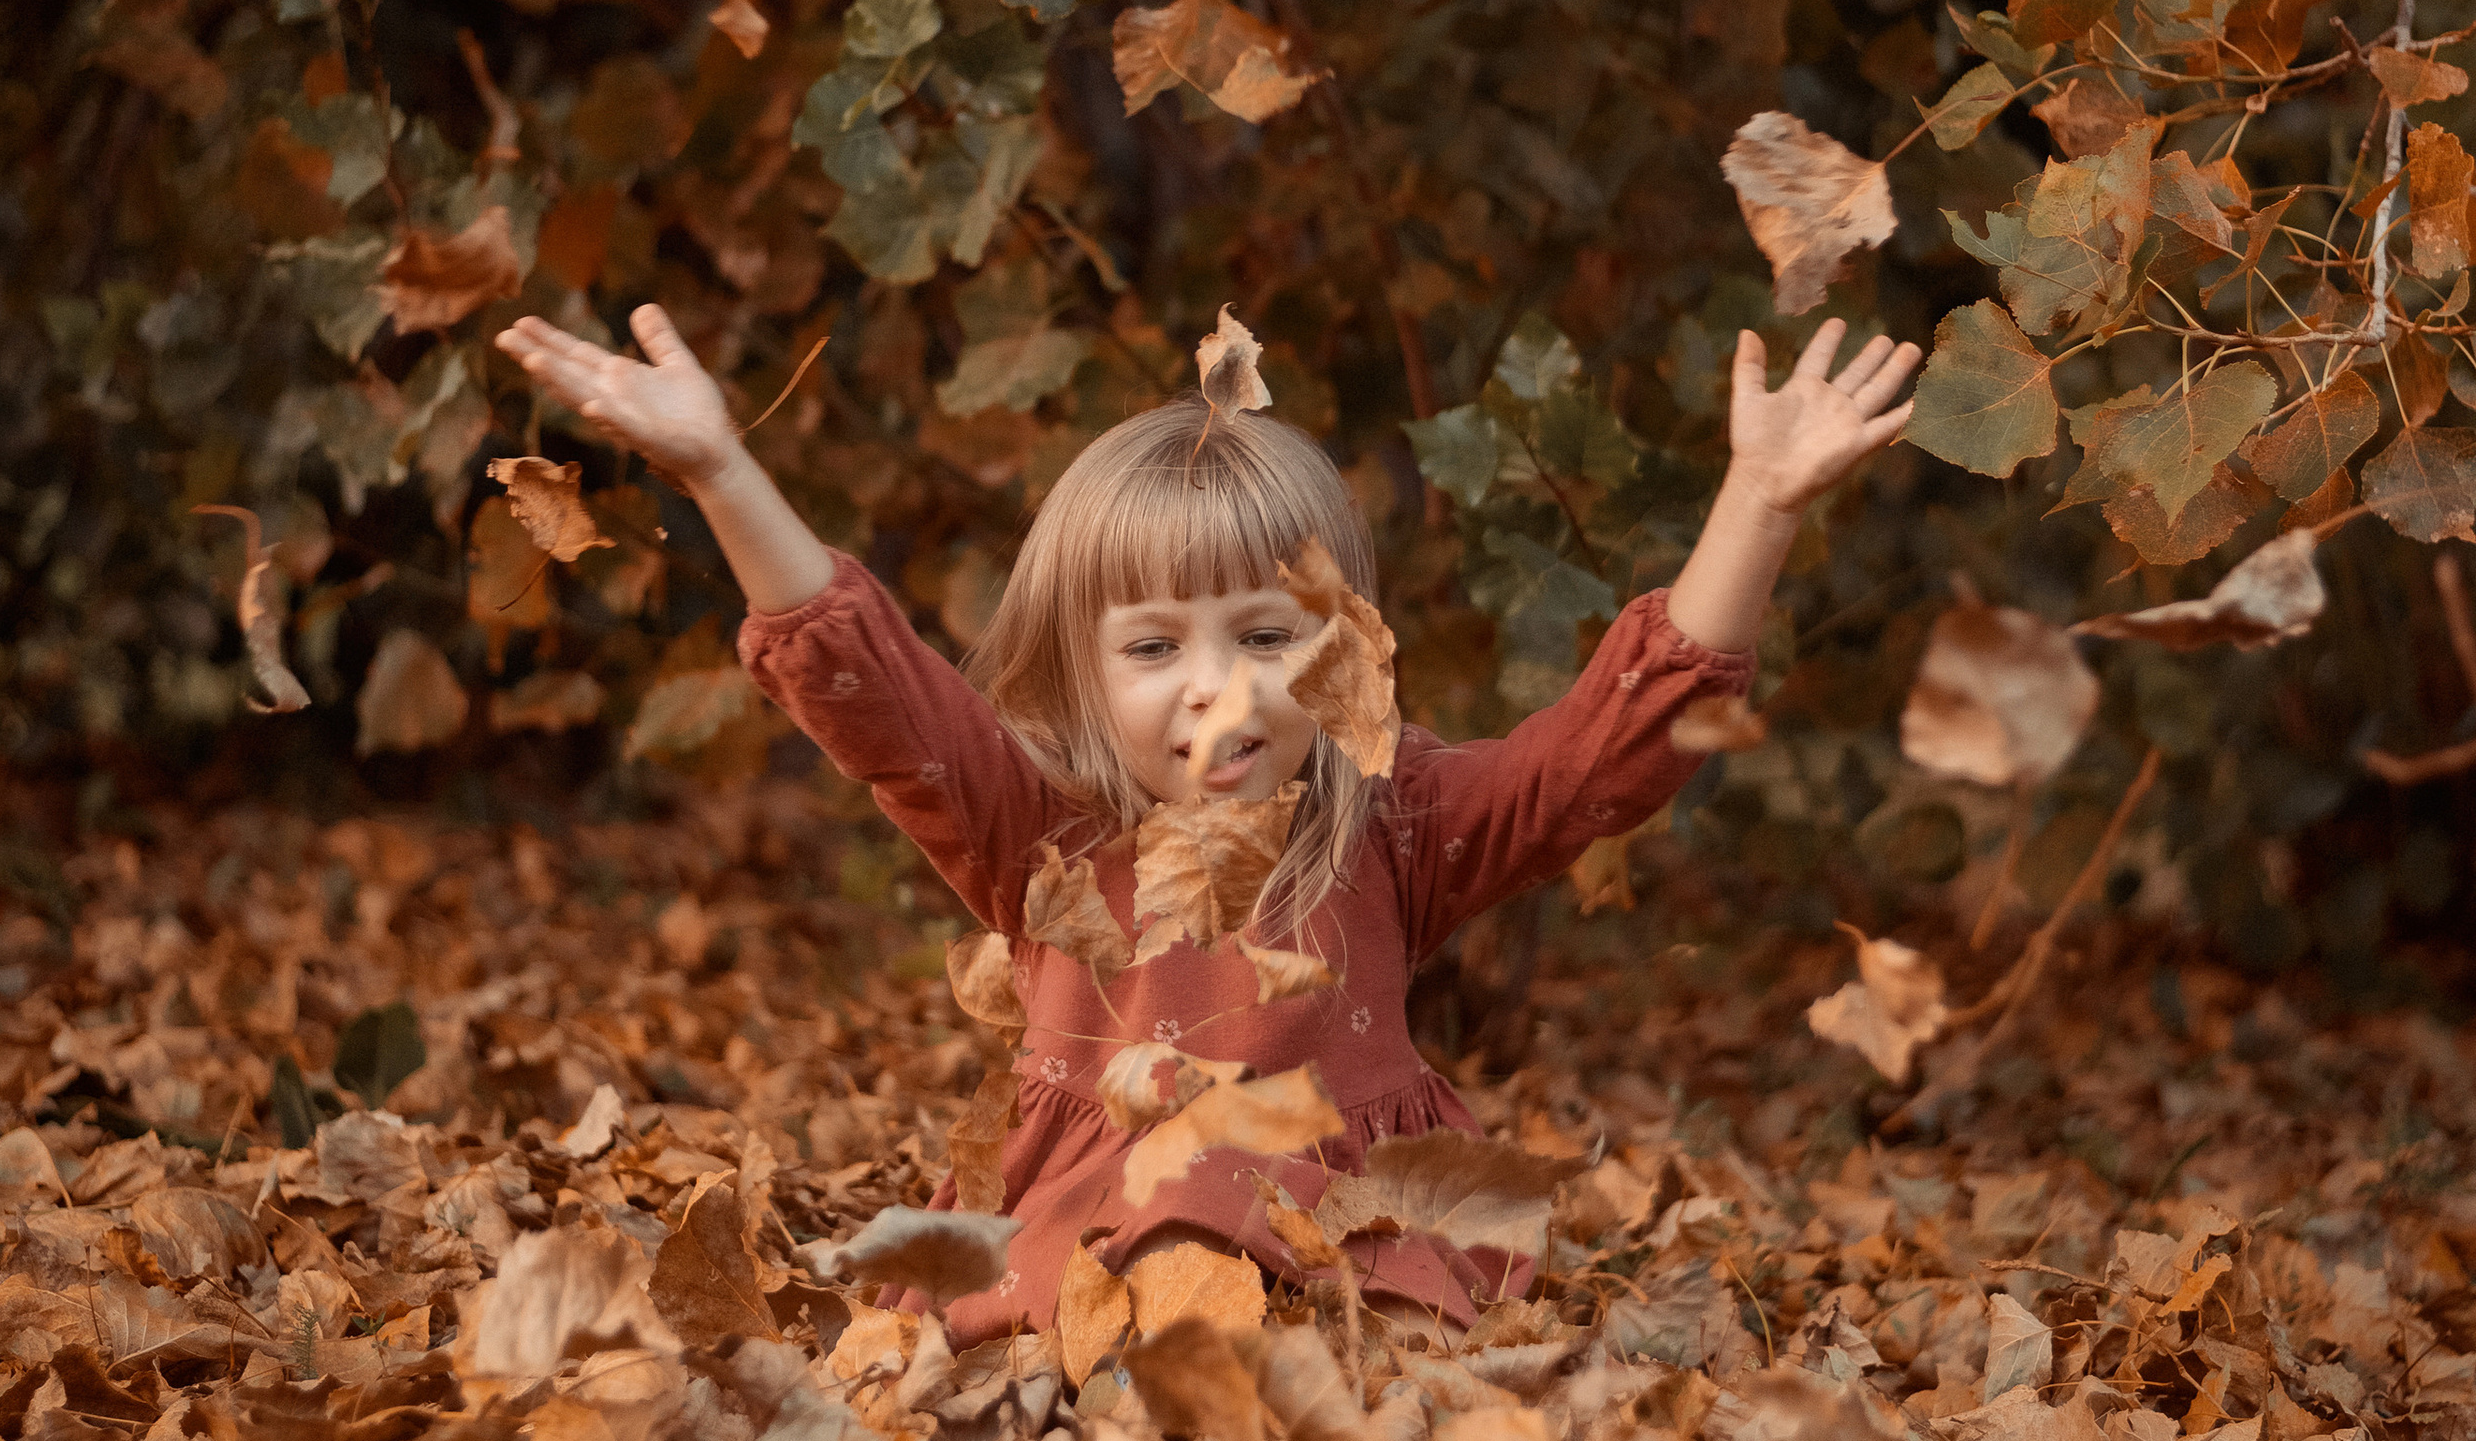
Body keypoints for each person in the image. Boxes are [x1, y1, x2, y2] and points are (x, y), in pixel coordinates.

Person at [495, 301, 1919, 1343]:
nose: (1220, 688)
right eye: (1157, 647)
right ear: (1080, 669)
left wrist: (1760, 500)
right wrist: (720, 471)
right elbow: (875, 693)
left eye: (1267, 632)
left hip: (1346, 1227)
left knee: (1368, 1354)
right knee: (1081, 1325)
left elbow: (1602, 757)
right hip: (1098, 1218)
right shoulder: (1041, 827)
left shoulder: (1391, 814)